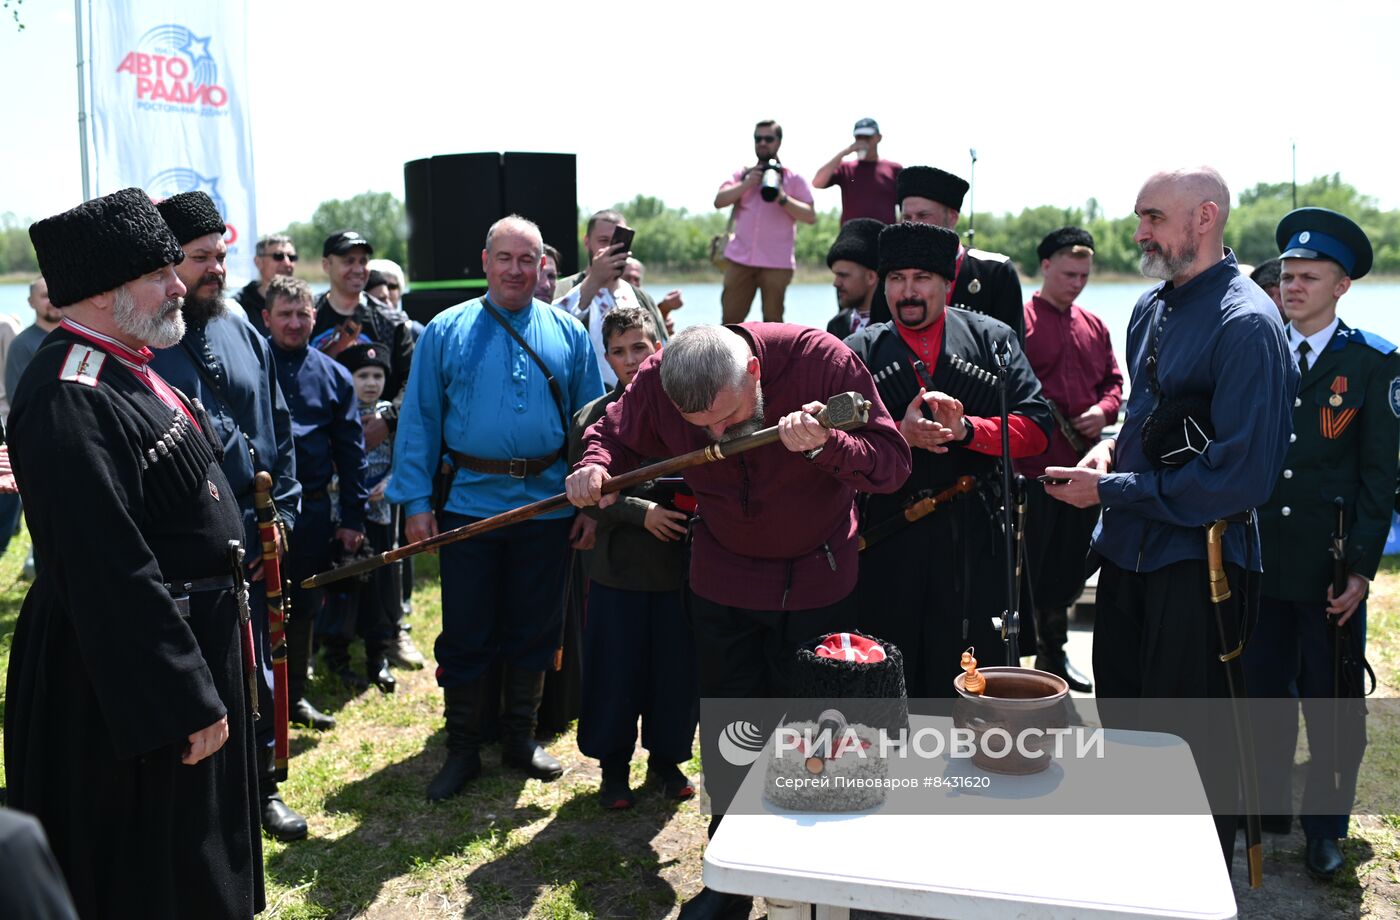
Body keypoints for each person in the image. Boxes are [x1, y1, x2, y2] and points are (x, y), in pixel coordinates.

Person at [566, 321, 909, 919]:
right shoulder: (658, 378)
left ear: (753, 372)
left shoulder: (819, 360)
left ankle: (818, 876)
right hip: (723, 577)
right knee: (732, 728)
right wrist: (594, 466)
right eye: (700, 429)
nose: (719, 437)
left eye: (728, 419)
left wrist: (826, 445)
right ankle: (731, 875)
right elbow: (612, 436)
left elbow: (890, 465)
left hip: (818, 578)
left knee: (818, 733)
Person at [8, 186, 263, 918]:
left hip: (184, 644)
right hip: (126, 681)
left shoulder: (129, 360)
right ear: (100, 293)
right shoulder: (69, 393)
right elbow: (105, 566)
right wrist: (180, 693)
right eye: (158, 274)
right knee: (155, 875)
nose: (178, 284)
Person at [1043, 167, 1296, 863]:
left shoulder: (1248, 324)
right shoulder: (1153, 309)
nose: (1139, 232)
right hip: (1129, 556)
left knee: (1188, 751)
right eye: (1140, 217)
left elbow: (1239, 480)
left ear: (1204, 218)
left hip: (1200, 567)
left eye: (1153, 217)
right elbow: (1146, 425)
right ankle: (1135, 878)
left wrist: (1115, 490)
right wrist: (1105, 454)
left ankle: (1191, 890)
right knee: (1126, 733)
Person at [388, 215, 604, 802]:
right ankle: (462, 747)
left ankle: (520, 737)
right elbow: (419, 423)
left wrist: (592, 504)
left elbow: (592, 427)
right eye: (504, 258)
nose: (515, 269)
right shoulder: (444, 331)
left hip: (551, 506)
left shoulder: (569, 332)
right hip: (469, 509)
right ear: (485, 261)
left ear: (541, 266)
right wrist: (414, 502)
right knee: (466, 628)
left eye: (526, 259)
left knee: (535, 624)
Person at [147, 191, 308, 843]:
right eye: (199, 258)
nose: (214, 268)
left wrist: (286, 511)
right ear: (165, 261)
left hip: (260, 531)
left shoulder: (241, 322)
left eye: (220, 254)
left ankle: (263, 788)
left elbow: (278, 422)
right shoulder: (147, 338)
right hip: (190, 546)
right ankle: (213, 801)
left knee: (261, 668)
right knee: (207, 672)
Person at [1245, 208, 1399, 879]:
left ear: (1341, 286)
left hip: (1329, 573)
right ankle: (1269, 810)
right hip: (1259, 565)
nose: (1292, 286)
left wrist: (1361, 571)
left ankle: (1326, 831)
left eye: (1309, 277)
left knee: (1332, 708)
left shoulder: (1372, 363)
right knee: (1261, 701)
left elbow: (1379, 479)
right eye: (1287, 275)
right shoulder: (1255, 349)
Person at [845, 221, 1052, 696]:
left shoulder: (992, 340)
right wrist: (898, 435)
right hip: (888, 535)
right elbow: (834, 444)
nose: (908, 291)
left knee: (976, 664)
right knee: (886, 658)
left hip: (975, 536)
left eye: (921, 278)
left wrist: (967, 431)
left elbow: (1037, 429)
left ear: (946, 283)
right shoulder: (858, 351)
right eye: (896, 278)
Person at [567, 307, 698, 810]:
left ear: (659, 347)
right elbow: (586, 492)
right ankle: (613, 767)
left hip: (677, 569)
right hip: (616, 568)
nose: (629, 360)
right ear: (606, 358)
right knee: (614, 670)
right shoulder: (593, 417)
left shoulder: (690, 409)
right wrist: (640, 512)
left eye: (639, 347)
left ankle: (667, 760)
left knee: (674, 670)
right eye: (618, 351)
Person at [1014, 227, 1122, 692]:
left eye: (1085, 274)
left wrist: (1103, 412)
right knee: (1030, 567)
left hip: (1083, 470)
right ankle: (1025, 661)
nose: (1077, 282)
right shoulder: (1017, 322)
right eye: (1070, 273)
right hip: (1032, 472)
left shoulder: (1095, 325)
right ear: (1046, 267)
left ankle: (1053, 656)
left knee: (1071, 564)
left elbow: (1114, 383)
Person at [263, 276, 375, 704]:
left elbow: (352, 454)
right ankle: (258, 699)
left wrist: (352, 519)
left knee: (304, 602)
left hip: (310, 512)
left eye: (301, 314)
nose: (293, 323)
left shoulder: (334, 376)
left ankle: (295, 695)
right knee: (257, 605)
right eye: (284, 314)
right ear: (266, 318)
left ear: (314, 317)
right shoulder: (250, 366)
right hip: (255, 511)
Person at [323, 340, 405, 691]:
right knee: (345, 585)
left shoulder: (391, 415)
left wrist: (389, 483)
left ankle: (379, 655)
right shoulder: (337, 410)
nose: (371, 383)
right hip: (344, 511)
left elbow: (406, 456)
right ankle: (337, 655)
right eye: (362, 375)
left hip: (381, 513)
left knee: (382, 587)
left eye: (377, 375)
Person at [870, 165, 1024, 342]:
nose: (913, 225)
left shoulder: (995, 272)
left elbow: (1011, 352)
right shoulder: (892, 274)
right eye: (907, 217)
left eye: (923, 215)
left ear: (952, 218)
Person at [713, 120, 817, 323]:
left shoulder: (792, 178)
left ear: (779, 142)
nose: (762, 143)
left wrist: (782, 197)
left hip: (776, 263)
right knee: (729, 323)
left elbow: (810, 216)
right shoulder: (743, 174)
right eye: (757, 138)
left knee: (773, 324)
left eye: (768, 139)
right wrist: (747, 183)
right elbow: (719, 201)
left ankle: (770, 356)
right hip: (740, 260)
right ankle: (727, 356)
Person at [555, 210, 670, 386]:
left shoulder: (640, 297)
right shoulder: (564, 289)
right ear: (587, 242)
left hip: (640, 399)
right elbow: (554, 332)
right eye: (604, 241)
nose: (612, 249)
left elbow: (663, 351)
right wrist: (595, 279)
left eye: (619, 242)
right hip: (586, 403)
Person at [311, 230, 415, 405]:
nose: (358, 269)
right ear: (326, 265)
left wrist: (387, 420)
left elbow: (411, 381)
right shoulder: (306, 315)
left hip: (376, 427)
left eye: (363, 261)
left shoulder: (392, 321)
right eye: (349, 261)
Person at [0, 276, 58, 561]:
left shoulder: (74, 336)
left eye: (55, 293)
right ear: (31, 303)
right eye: (44, 295)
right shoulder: (23, 343)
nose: (52, 300)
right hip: (41, 446)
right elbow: (17, 400)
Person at [811, 117, 902, 224]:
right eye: (859, 137)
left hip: (885, 237)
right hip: (852, 237)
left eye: (867, 137)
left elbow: (905, 205)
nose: (862, 142)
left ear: (879, 137)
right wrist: (844, 152)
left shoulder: (894, 169)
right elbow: (817, 182)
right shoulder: (845, 168)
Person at [824, 218, 883, 339]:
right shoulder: (836, 326)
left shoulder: (893, 329)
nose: (836, 283)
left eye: (843, 275)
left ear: (870, 277)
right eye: (835, 275)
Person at [233, 234, 297, 337]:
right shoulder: (239, 307)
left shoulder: (304, 302)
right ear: (258, 262)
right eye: (278, 256)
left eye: (292, 257)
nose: (287, 263)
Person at [622, 256, 683, 335]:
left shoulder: (646, 304)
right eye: (627, 278)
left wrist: (664, 311)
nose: (633, 283)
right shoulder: (609, 302)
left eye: (636, 279)